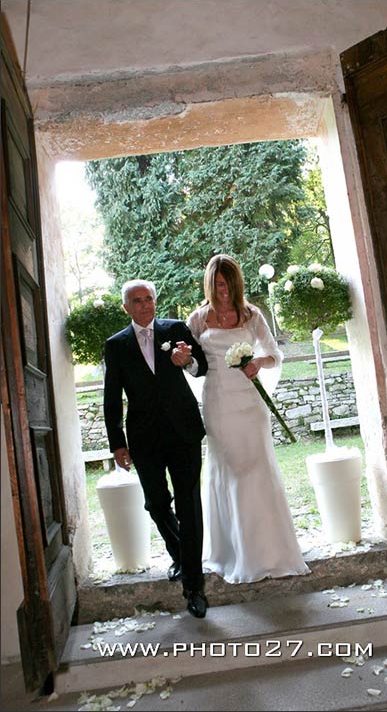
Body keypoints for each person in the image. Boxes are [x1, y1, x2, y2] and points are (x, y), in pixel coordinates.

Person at [187, 255, 310, 584]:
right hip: (218, 404)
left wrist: (258, 363)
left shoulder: (252, 315)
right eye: (216, 285)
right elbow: (191, 365)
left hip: (250, 405)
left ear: (236, 284)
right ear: (209, 285)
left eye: (227, 285)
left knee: (257, 470)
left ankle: (269, 551)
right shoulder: (198, 319)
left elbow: (275, 354)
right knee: (230, 472)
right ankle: (233, 553)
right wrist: (182, 360)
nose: (222, 291)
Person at [103, 279, 209, 618]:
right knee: (157, 503)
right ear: (126, 307)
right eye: (137, 300)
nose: (145, 305)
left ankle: (194, 586)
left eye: (149, 298)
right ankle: (180, 553)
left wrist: (187, 361)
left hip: (184, 432)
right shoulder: (116, 345)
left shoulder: (176, 329)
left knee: (189, 504)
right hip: (144, 438)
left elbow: (202, 366)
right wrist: (117, 443)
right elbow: (111, 399)